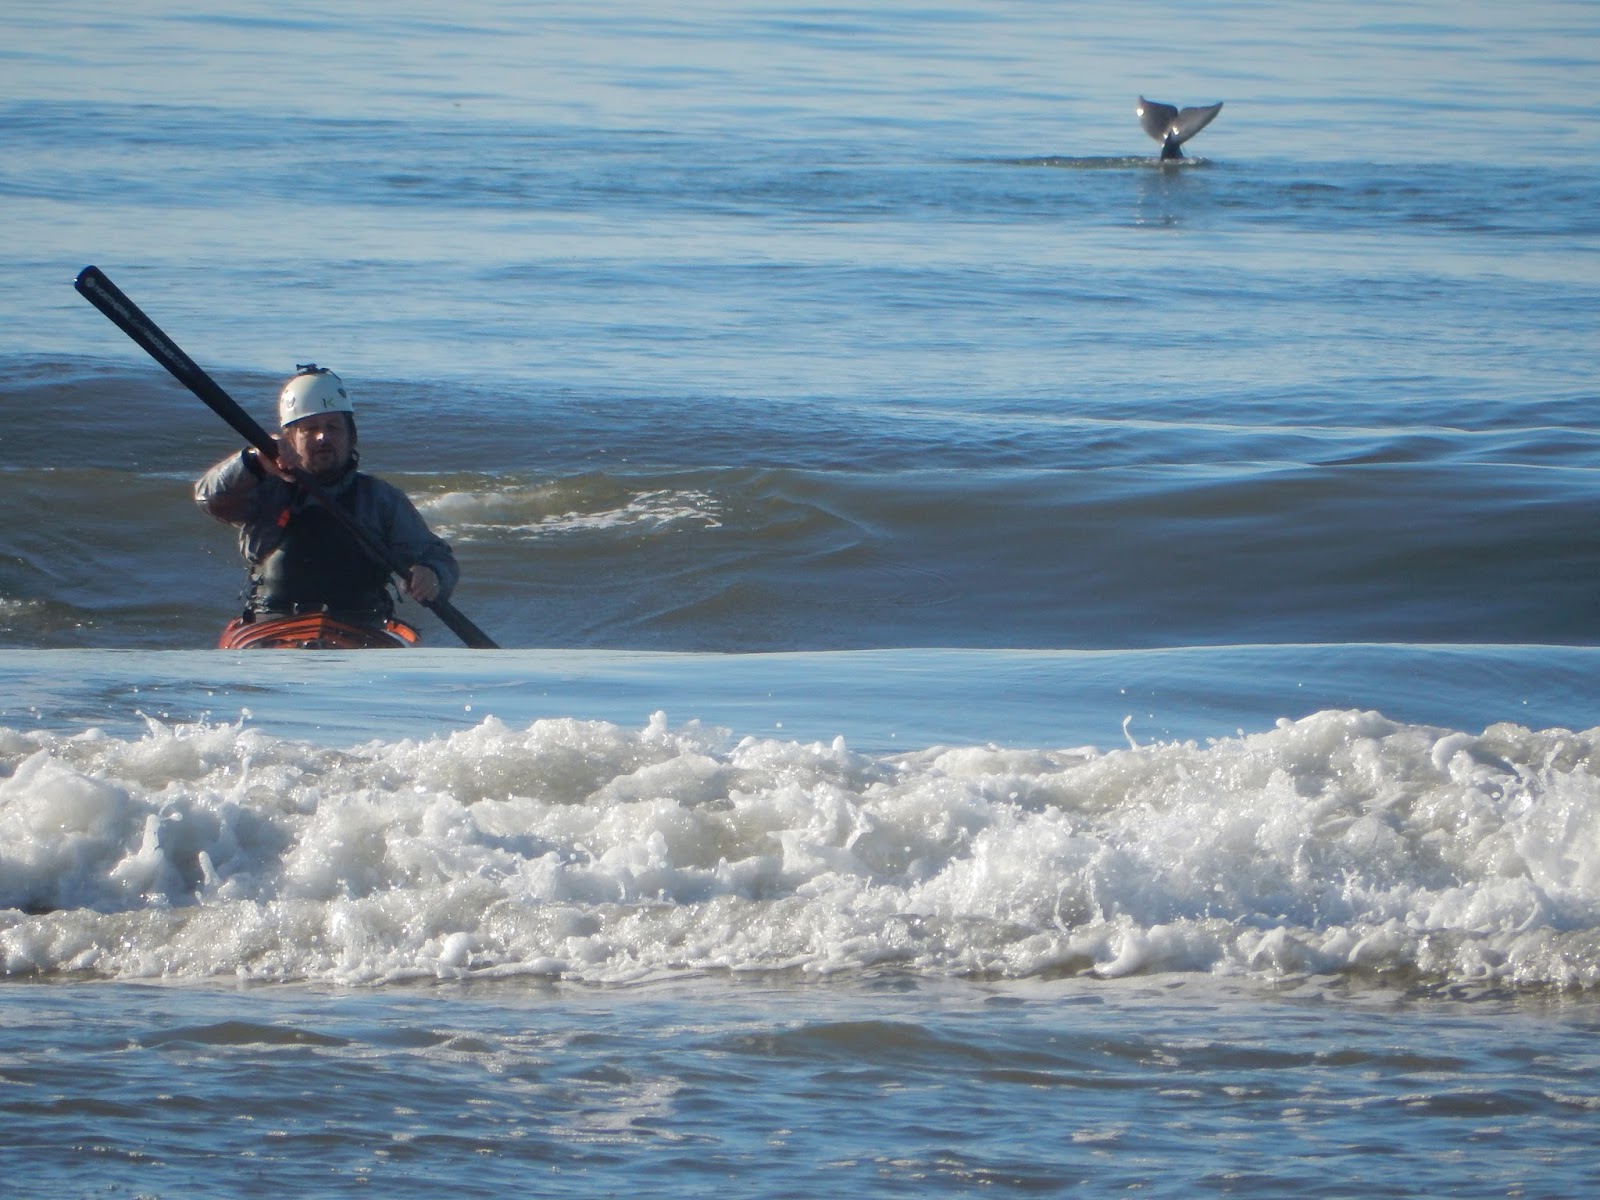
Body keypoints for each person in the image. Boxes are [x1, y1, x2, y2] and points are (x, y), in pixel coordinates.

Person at [195, 364, 458, 632]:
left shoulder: (380, 498)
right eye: (310, 428)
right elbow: (208, 498)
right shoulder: (263, 487)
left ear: (351, 436)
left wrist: (432, 573)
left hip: (360, 630)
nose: (323, 437)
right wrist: (253, 461)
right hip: (273, 629)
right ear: (290, 439)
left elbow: (435, 555)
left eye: (333, 427)